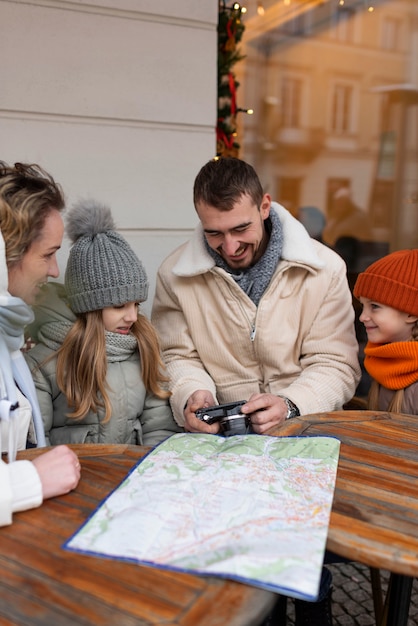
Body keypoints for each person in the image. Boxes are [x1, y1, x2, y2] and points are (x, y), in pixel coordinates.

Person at [151, 157, 361, 625]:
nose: (228, 246)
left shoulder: (325, 269)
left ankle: (315, 598)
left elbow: (337, 364)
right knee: (239, 579)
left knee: (308, 575)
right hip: (224, 448)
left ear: (265, 205)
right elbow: (175, 357)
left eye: (240, 228)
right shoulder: (174, 275)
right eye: (213, 233)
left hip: (306, 438)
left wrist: (291, 404)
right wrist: (191, 394)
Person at [25, 200, 182, 447]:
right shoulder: (45, 364)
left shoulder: (142, 350)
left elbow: (158, 427)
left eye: (136, 305)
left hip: (133, 477)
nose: (132, 316)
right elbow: (36, 440)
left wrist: (153, 470)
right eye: (119, 306)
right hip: (71, 479)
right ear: (89, 307)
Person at [0, 161, 80, 528]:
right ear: (7, 255)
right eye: (47, 254)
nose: (54, 271)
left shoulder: (9, 333)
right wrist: (29, 482)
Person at [353, 249, 418, 413]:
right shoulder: (380, 360)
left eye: (374, 306)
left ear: (411, 312)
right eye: (363, 306)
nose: (362, 317)